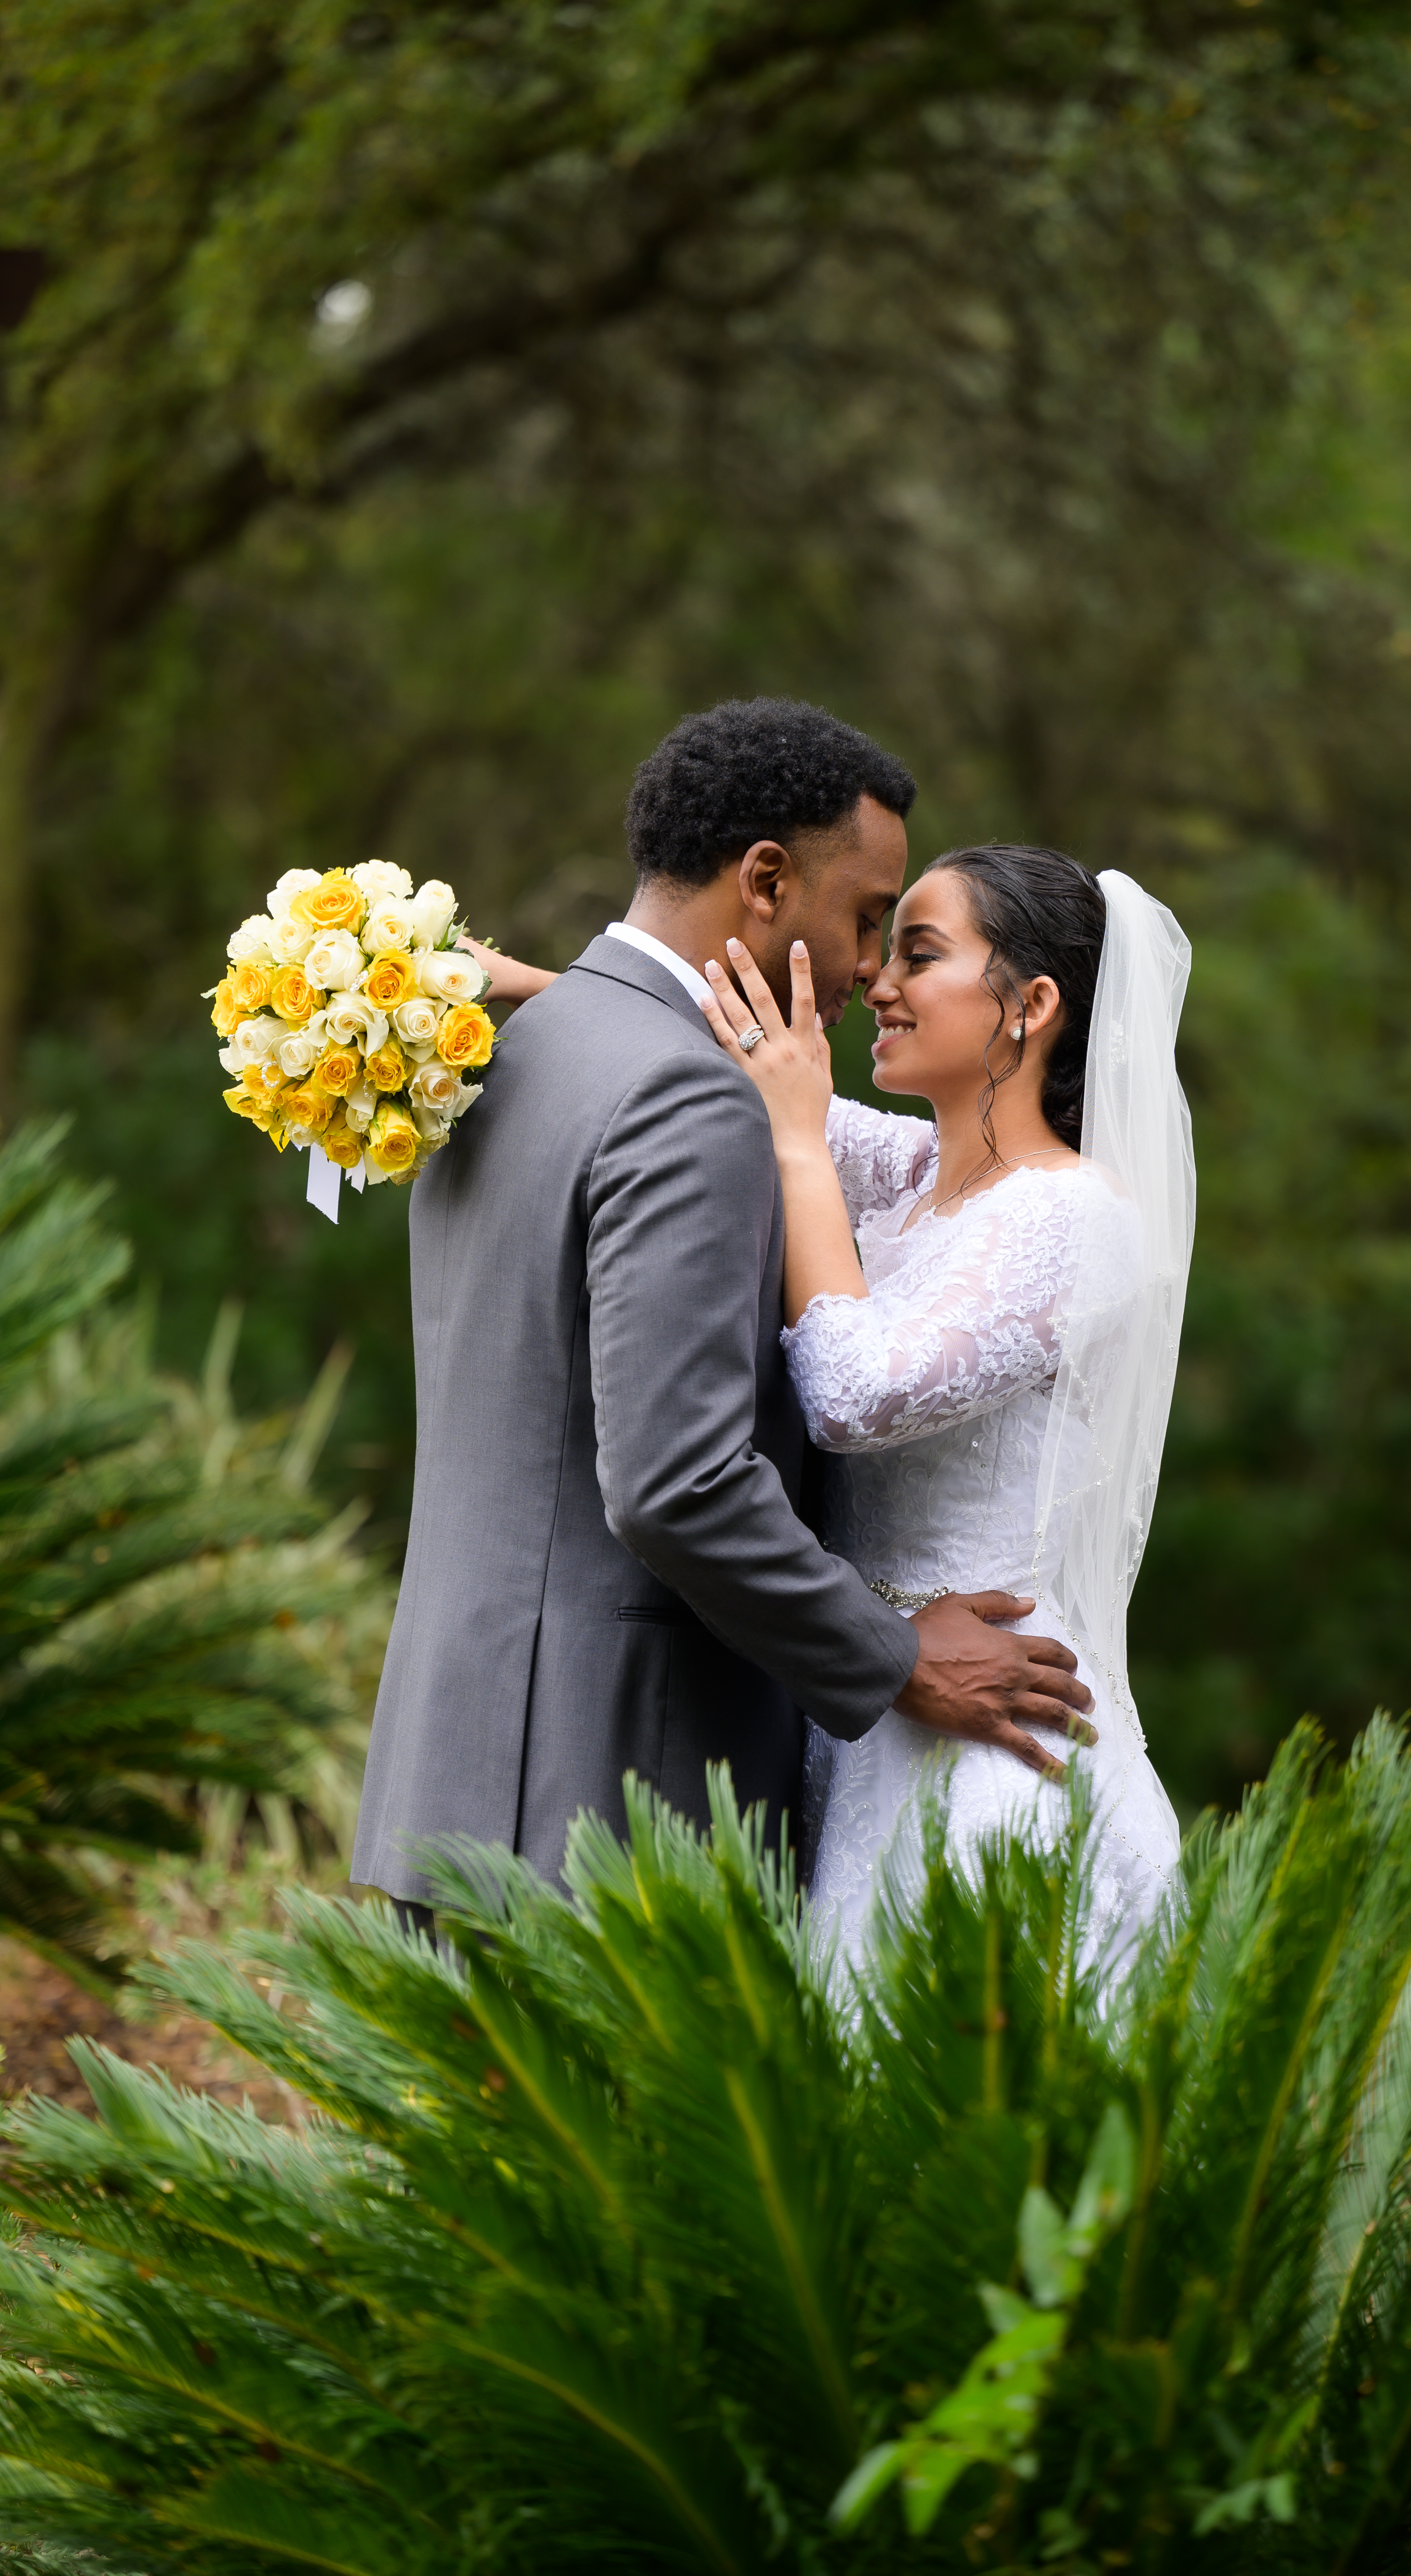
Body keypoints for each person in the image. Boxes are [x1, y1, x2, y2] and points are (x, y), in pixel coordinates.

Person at [350, 701, 1094, 1921]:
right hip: (606, 1801)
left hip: (458, 1771)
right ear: (764, 880)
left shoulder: (496, 1050)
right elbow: (676, 1484)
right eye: (865, 920)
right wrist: (897, 1659)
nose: (867, 970)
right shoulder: (693, 1103)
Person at [698, 842, 1193, 1958]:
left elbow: (853, 1394)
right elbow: (745, 1059)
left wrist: (791, 1140)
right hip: (881, 1712)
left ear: (1031, 1004)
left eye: (919, 955)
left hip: (996, 1746)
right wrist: (498, 988)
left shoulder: (1076, 1219)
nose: (877, 982)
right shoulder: (921, 1184)